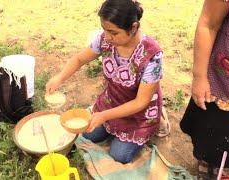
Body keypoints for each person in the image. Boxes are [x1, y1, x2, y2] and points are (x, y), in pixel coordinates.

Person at [46, 0, 166, 163]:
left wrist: (103, 116)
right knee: (87, 134)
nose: (107, 37)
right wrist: (59, 78)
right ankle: (108, 122)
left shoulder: (152, 56)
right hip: (112, 102)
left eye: (113, 33)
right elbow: (80, 59)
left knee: (119, 155)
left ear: (133, 27)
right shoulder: (105, 40)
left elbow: (140, 102)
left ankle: (156, 121)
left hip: (139, 115)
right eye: (104, 30)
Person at [180, 0, 229, 178]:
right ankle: (208, 162)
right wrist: (199, 77)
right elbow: (208, 23)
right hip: (225, 75)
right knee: (215, 129)